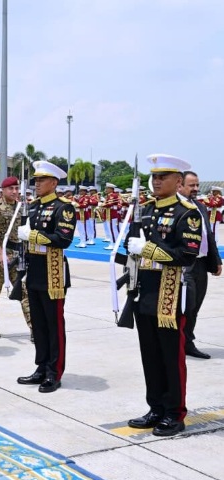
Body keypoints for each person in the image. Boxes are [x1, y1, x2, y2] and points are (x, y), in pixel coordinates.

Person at [124, 154, 202, 437]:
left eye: (163, 177)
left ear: (178, 181)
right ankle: (155, 407)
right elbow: (129, 251)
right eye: (154, 177)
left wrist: (146, 249)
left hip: (169, 295)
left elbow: (187, 255)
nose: (156, 181)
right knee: (150, 355)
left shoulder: (186, 213)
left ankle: (174, 412)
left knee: (171, 356)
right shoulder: (145, 209)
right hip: (145, 292)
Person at [16, 160, 76, 393]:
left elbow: (63, 239)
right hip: (34, 271)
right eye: (36, 180)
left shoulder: (64, 207)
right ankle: (41, 367)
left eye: (41, 180)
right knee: (38, 325)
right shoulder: (32, 206)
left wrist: (33, 235)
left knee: (53, 324)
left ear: (54, 182)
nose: (37, 184)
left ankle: (54, 371)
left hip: (53, 273)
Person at [179, 171, 221, 359]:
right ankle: (179, 343)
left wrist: (216, 260)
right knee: (187, 306)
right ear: (179, 185)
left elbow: (208, 236)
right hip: (184, 265)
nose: (196, 189)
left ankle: (187, 341)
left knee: (196, 306)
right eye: (192, 186)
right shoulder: (175, 206)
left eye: (197, 185)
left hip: (201, 263)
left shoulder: (200, 206)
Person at [0, 176, 32, 339]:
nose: (14, 191)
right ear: (3, 191)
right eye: (10, 189)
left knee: (24, 292)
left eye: (16, 188)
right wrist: (0, 252)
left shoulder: (22, 207)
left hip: (17, 256)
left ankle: (34, 328)